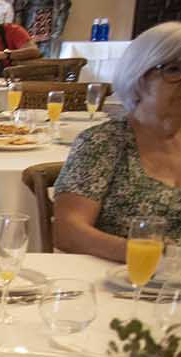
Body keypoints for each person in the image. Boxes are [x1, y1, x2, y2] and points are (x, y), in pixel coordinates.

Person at [54, 21, 181, 260]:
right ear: (139, 77)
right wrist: (154, 257)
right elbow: (68, 231)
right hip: (120, 275)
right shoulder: (103, 142)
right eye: (174, 70)